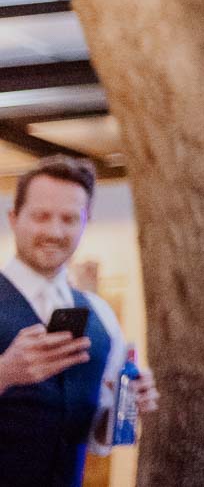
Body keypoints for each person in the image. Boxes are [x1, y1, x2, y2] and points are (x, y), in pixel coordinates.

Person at [0, 155, 159, 487]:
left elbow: (98, 435)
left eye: (70, 219)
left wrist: (127, 404)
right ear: (14, 218)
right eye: (42, 217)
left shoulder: (100, 316)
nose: (55, 232)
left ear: (86, 222)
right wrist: (5, 372)